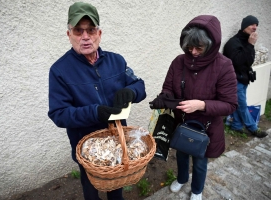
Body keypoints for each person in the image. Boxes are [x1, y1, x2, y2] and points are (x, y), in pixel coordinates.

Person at [48, 2, 146, 200]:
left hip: (118, 141)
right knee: (91, 188)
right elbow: (59, 113)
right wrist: (94, 112)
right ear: (69, 35)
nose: (85, 37)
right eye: (78, 30)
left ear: (99, 33)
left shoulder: (116, 61)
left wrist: (131, 92)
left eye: (91, 30)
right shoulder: (59, 70)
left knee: (116, 186)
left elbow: (140, 86)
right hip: (87, 148)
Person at [149, 15, 238, 200]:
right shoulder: (178, 62)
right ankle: (182, 179)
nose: (194, 52)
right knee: (181, 154)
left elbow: (230, 104)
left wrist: (202, 105)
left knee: (199, 161)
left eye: (199, 47)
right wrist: (163, 98)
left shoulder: (224, 66)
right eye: (190, 47)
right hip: (181, 123)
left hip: (205, 128)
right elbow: (168, 88)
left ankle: (197, 190)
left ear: (212, 44)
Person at [223, 15, 268, 138]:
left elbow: (248, 61)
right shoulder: (233, 43)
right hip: (234, 80)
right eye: (252, 24)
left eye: (256, 25)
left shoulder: (247, 42)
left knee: (239, 104)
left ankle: (236, 126)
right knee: (242, 105)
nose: (255, 27)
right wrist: (250, 45)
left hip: (244, 79)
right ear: (244, 26)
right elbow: (237, 62)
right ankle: (253, 128)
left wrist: (251, 45)